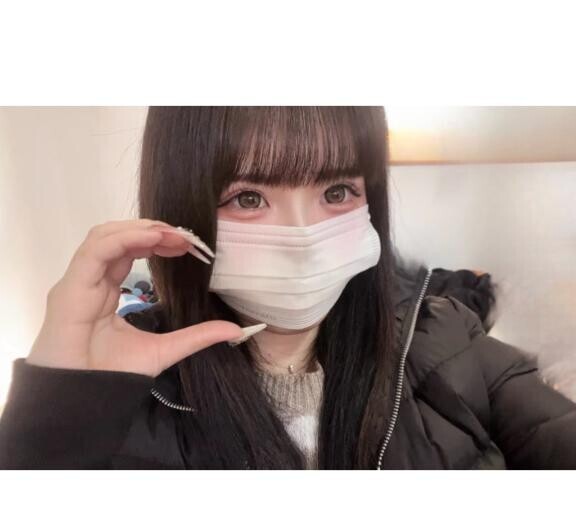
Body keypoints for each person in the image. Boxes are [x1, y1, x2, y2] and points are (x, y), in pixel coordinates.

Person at [0, 106, 574, 470]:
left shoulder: (446, 335)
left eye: (337, 192)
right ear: (180, 214)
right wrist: (56, 415)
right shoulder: (124, 393)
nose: (304, 239)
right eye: (248, 198)